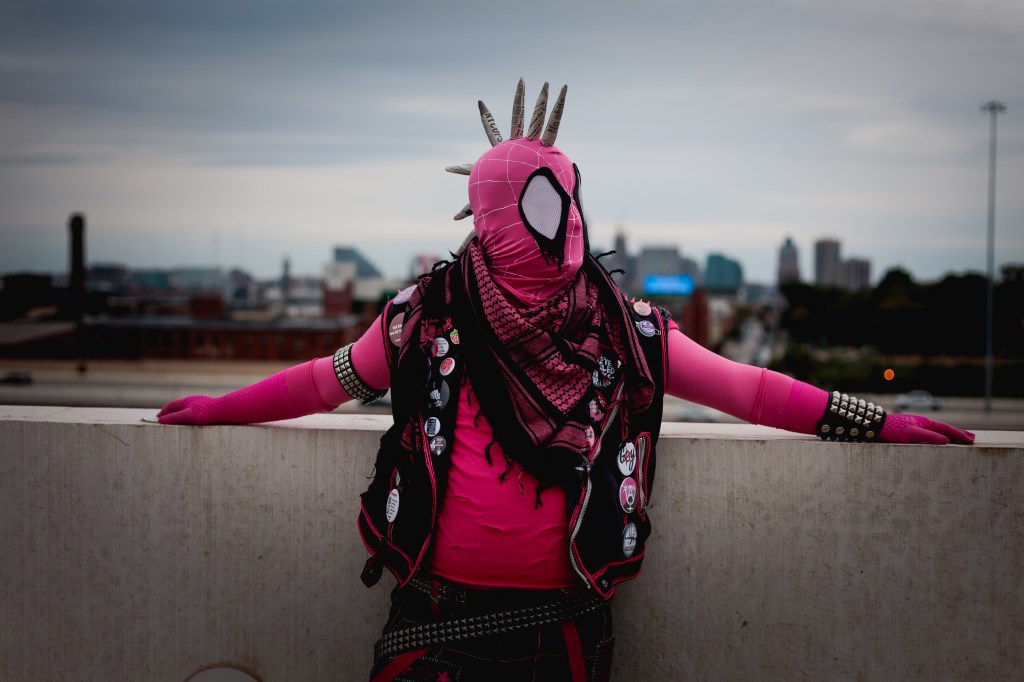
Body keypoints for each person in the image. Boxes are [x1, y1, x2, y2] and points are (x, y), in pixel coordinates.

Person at [158, 80, 974, 682]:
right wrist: (218, 409)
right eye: (550, 201)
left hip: (565, 631)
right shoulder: (426, 316)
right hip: (432, 622)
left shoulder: (627, 330)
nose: (572, 219)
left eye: (572, 193)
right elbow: (322, 381)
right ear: (501, 214)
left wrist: (878, 422)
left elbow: (752, 391)